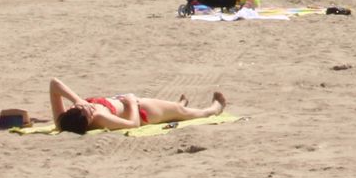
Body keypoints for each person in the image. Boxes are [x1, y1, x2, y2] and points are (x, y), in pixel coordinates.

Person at [48, 78, 226, 134]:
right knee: (182, 113)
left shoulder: (61, 122)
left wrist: (78, 100)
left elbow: (53, 84)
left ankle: (174, 107)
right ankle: (212, 110)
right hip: (142, 112)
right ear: (88, 120)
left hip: (121, 102)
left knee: (173, 109)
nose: (87, 107)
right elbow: (133, 125)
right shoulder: (100, 117)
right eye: (86, 111)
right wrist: (132, 103)